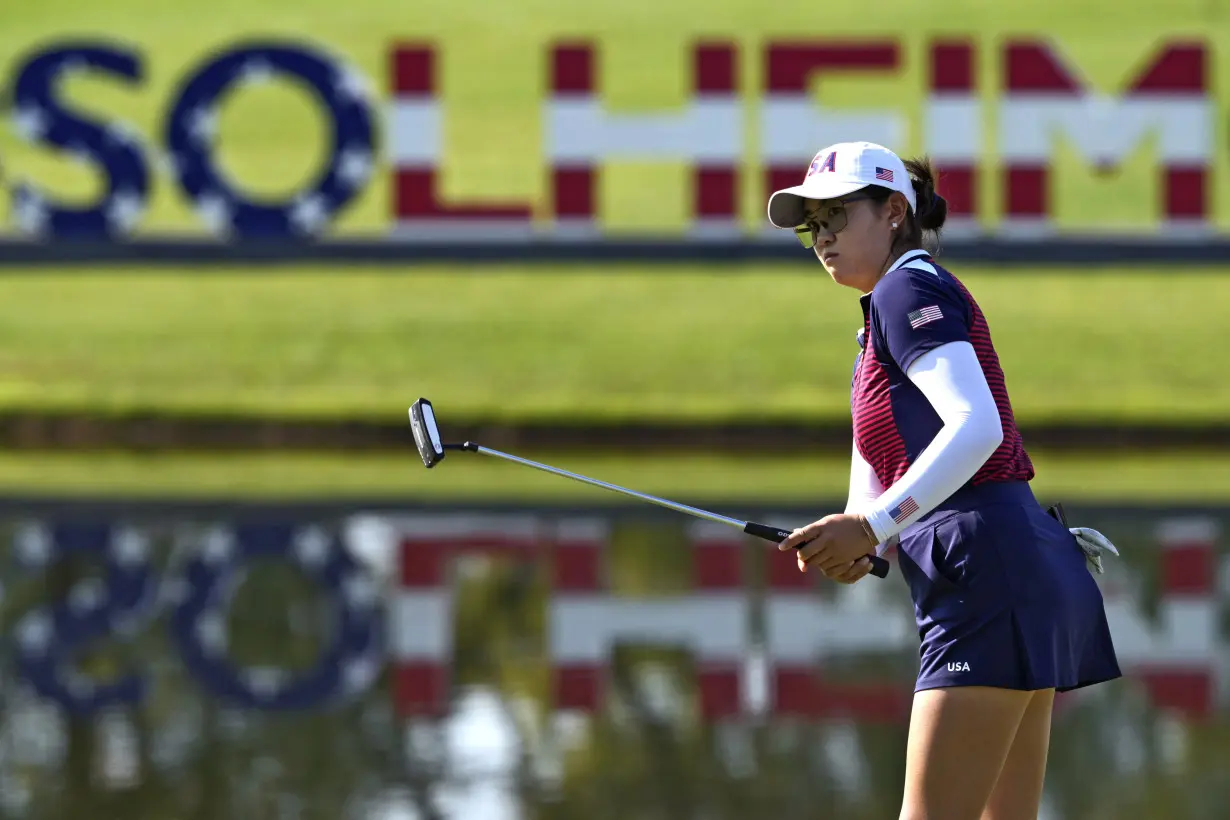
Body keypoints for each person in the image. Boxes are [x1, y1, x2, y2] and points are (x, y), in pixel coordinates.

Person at [767, 141, 1122, 820]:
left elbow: (976, 427)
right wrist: (855, 539)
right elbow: (872, 483)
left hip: (990, 571)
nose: (824, 238)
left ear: (894, 211)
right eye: (814, 225)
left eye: (838, 215)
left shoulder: (907, 287)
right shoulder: (878, 322)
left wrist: (871, 529)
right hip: (1009, 567)